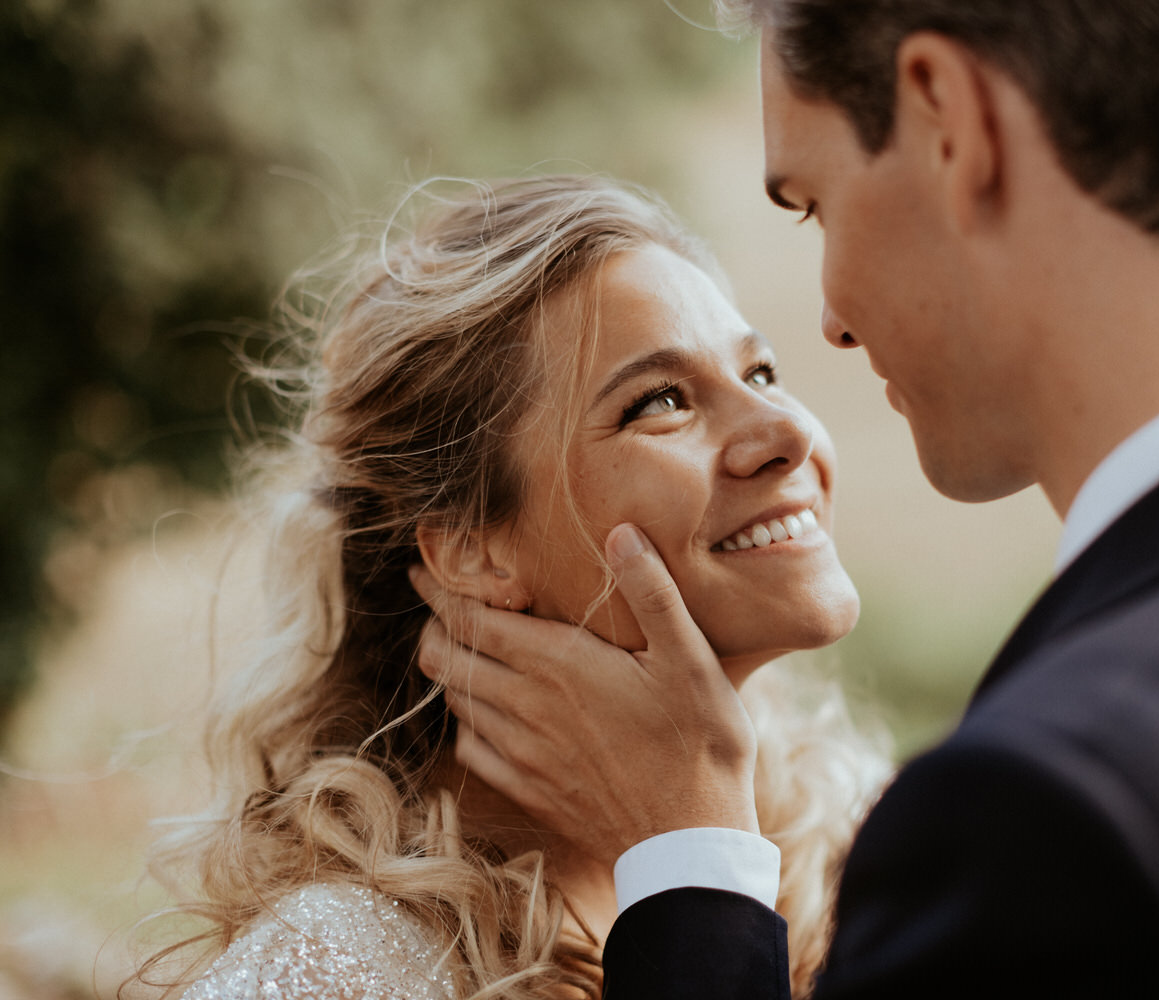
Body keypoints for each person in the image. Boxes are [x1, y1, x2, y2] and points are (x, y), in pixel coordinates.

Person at [414, 1, 1159, 996]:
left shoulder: (1049, 816)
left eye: (813, 203)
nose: (832, 319)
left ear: (948, 115)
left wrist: (690, 871)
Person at [131, 175, 886, 1000]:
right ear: (470, 549)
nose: (786, 433)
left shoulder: (856, 856)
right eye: (660, 402)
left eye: (763, 371)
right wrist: (693, 854)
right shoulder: (338, 968)